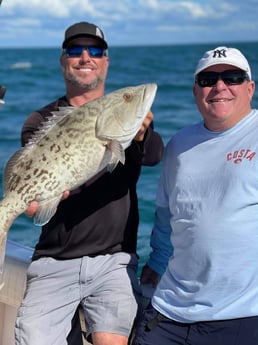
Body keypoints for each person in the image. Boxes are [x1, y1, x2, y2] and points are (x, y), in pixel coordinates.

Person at [14, 21, 164, 345]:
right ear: (63, 60)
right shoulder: (39, 121)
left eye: (95, 50)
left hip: (115, 260)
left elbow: (154, 155)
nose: (85, 57)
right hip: (53, 259)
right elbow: (39, 195)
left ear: (105, 61)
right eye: (75, 50)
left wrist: (141, 133)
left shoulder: (120, 114)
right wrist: (31, 202)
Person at [132, 46, 258, 345]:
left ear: (250, 88)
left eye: (232, 77)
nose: (219, 86)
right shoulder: (179, 144)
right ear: (195, 92)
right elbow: (166, 216)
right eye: (208, 80)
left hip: (242, 315)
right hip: (169, 311)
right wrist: (155, 265)